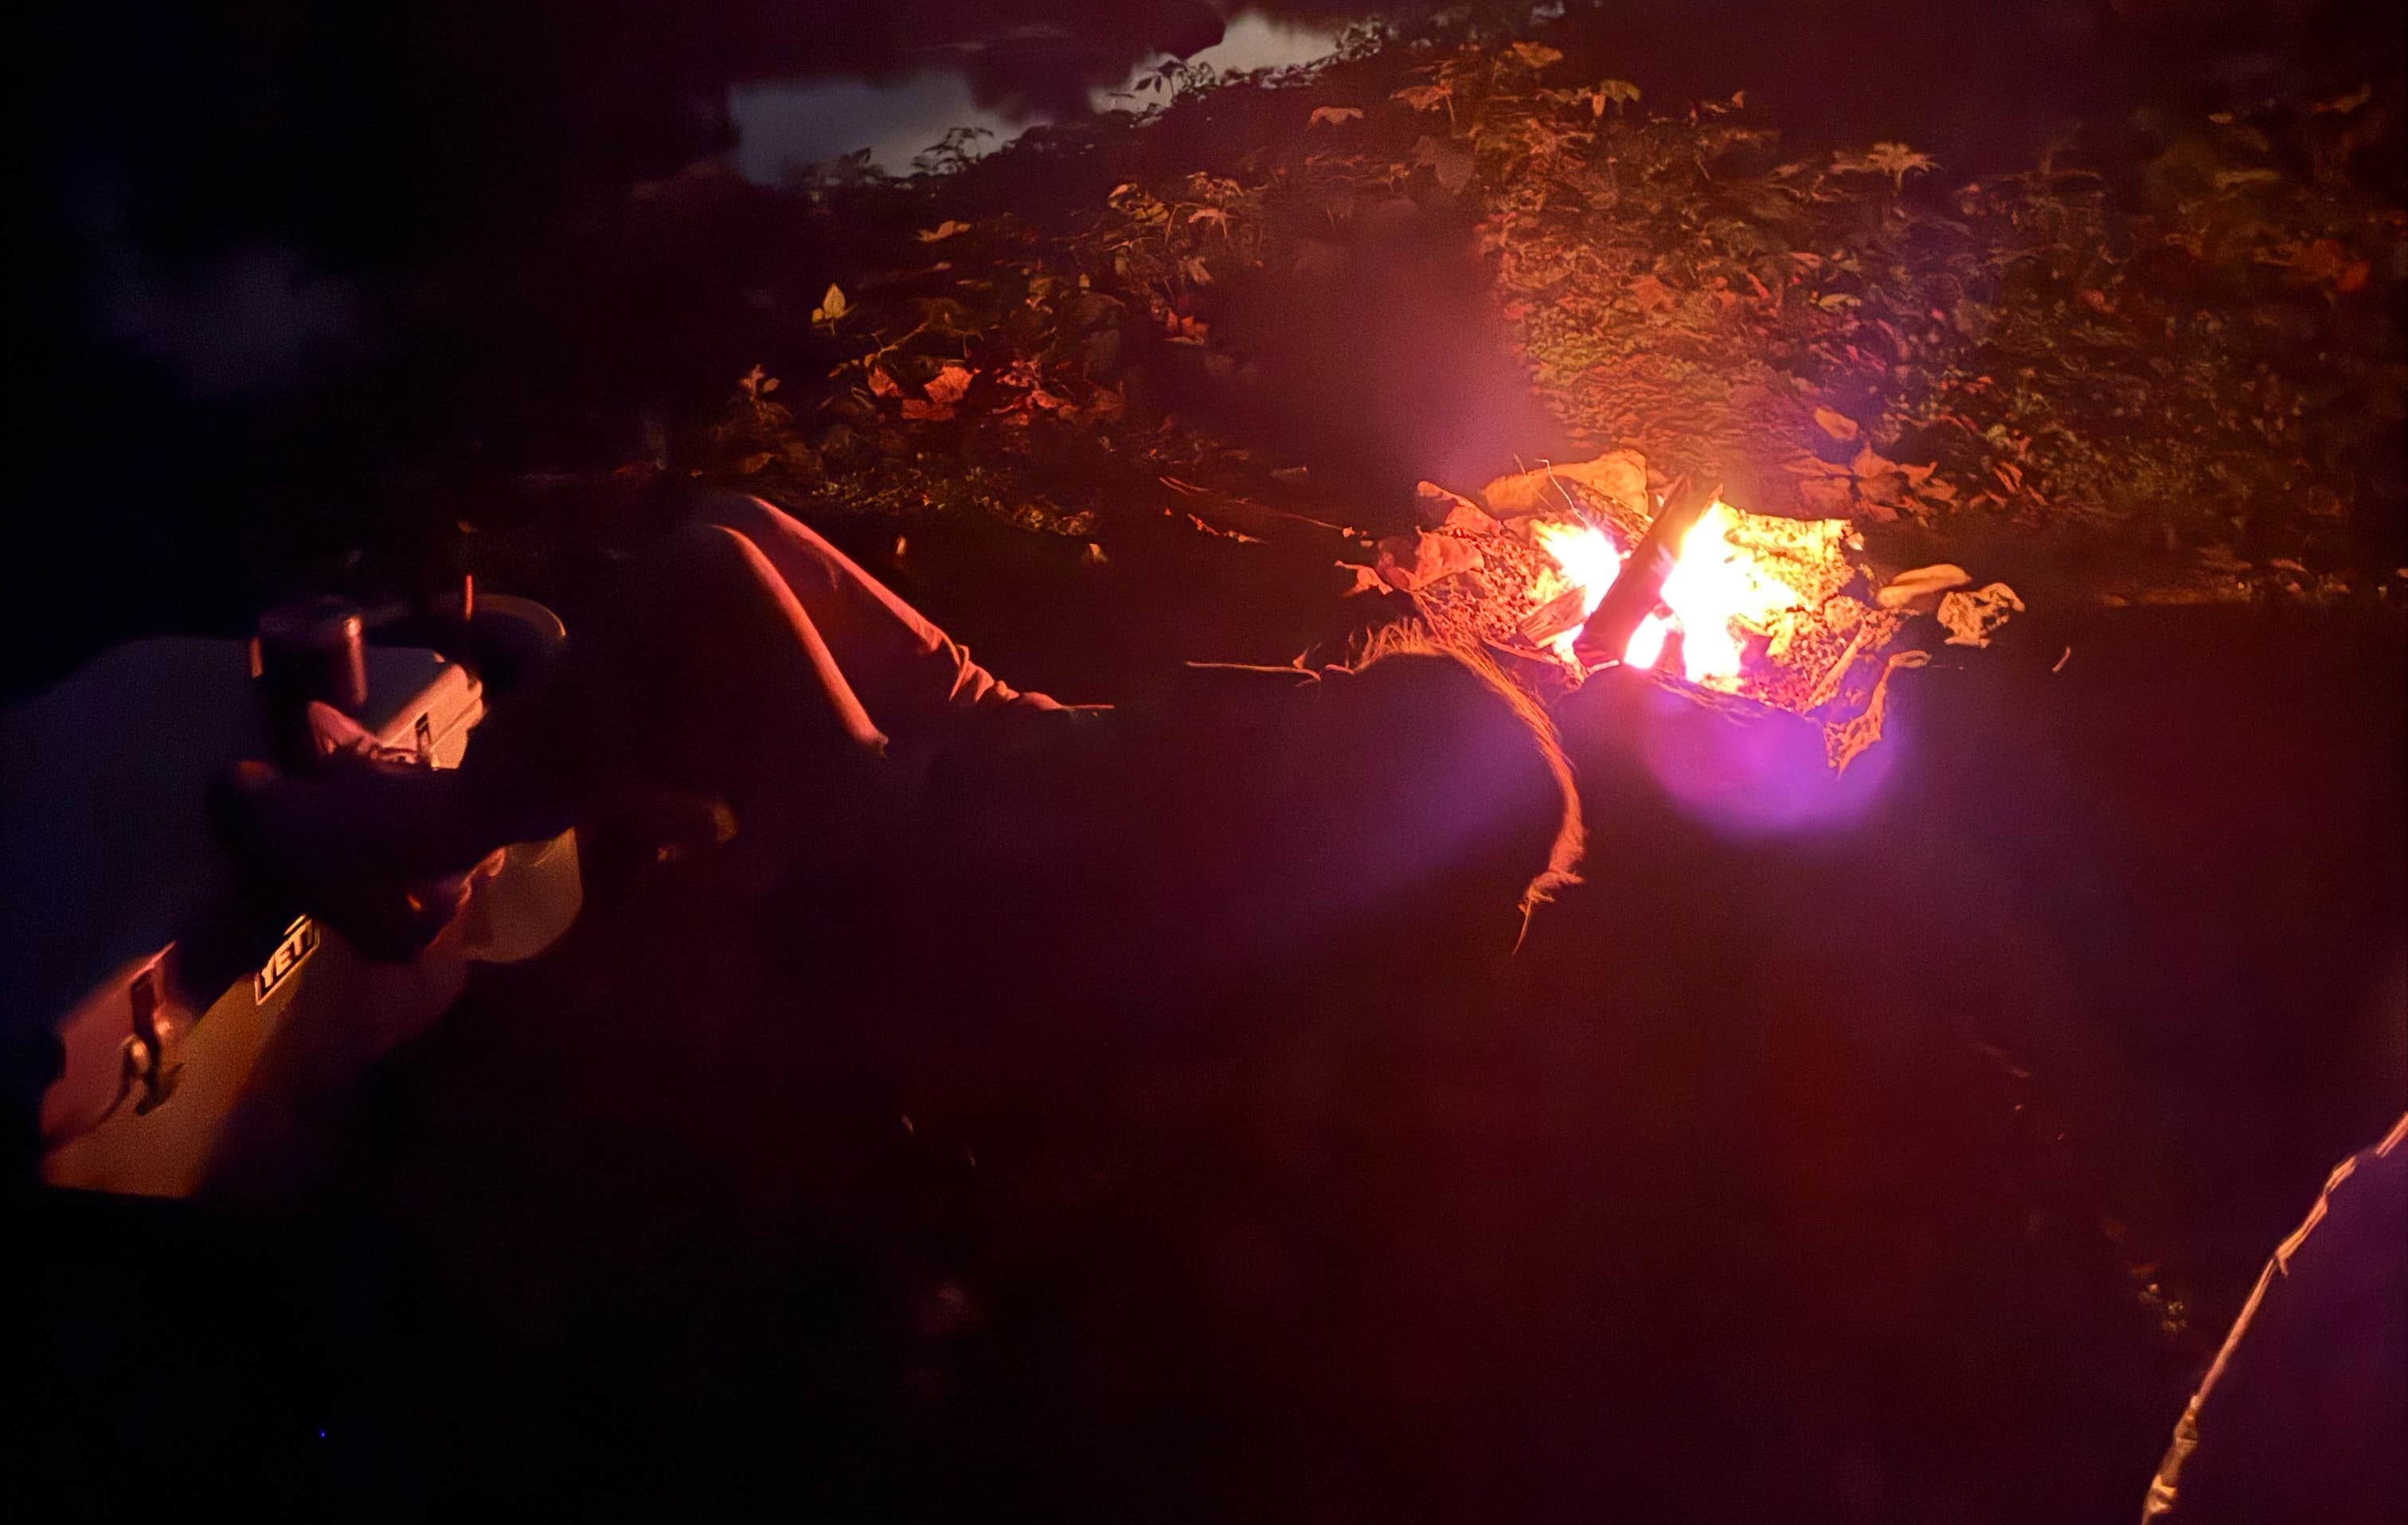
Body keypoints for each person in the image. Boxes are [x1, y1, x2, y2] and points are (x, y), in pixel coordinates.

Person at [209, 492, 1581, 1030]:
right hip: (983, 740)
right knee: (748, 521)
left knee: (710, 577)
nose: (1324, 685)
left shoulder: (1269, 874)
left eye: (1354, 702)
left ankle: (423, 841)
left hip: (908, 835)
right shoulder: (1285, 790)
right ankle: (471, 815)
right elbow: (1133, 716)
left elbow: (1047, 875)